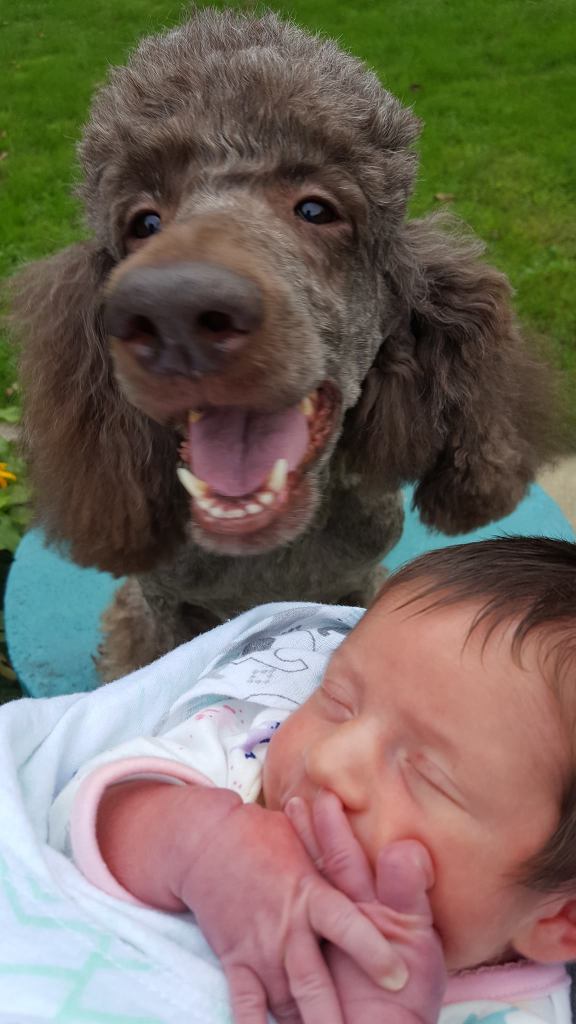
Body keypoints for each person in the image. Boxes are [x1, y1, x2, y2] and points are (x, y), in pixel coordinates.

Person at [49, 536, 576, 1024]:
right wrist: (195, 842)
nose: (329, 759)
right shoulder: (243, 767)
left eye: (428, 776)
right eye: (338, 701)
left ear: (560, 917)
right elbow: (70, 811)